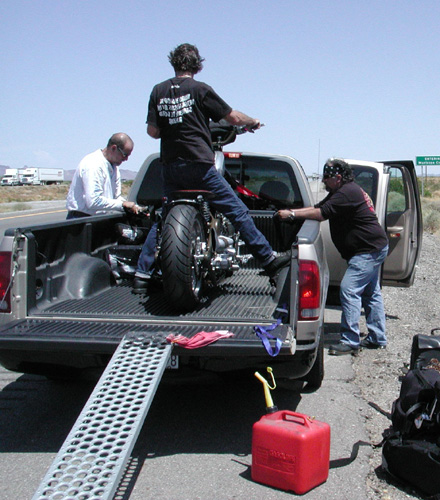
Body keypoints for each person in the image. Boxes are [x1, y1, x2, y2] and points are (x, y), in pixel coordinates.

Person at [133, 43, 290, 293]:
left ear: (173, 63)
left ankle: (142, 274)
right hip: (199, 166)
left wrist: (172, 127)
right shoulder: (200, 90)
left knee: (164, 216)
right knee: (238, 211)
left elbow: (152, 131)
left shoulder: (158, 90)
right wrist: (253, 121)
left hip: (171, 167)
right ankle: (268, 260)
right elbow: (233, 119)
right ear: (198, 65)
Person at [277, 158, 389, 356]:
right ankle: (377, 337)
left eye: (327, 178)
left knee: (349, 290)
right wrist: (291, 212)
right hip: (372, 247)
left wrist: (291, 215)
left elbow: (321, 213)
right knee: (371, 293)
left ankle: (350, 340)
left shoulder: (347, 192)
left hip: (368, 250)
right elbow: (318, 207)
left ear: (338, 177)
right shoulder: (341, 191)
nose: (324, 182)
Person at [66, 133, 140, 219]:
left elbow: (115, 198)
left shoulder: (114, 167)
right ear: (114, 148)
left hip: (98, 218)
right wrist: (122, 204)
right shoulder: (93, 164)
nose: (126, 159)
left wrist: (133, 207)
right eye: (125, 155)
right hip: (81, 219)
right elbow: (93, 201)